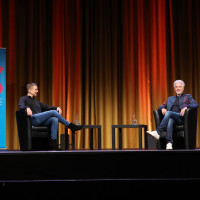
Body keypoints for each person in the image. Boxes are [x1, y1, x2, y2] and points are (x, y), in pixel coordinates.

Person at [18, 83, 84, 150]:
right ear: (29, 90)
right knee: (53, 113)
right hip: (33, 119)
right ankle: (71, 126)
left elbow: (47, 107)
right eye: (36, 89)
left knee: (54, 119)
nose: (37, 91)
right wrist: (26, 107)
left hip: (40, 120)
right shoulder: (23, 98)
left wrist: (56, 107)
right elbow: (21, 105)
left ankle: (53, 143)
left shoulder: (36, 101)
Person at [147, 80, 198, 150]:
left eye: (180, 87)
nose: (178, 88)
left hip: (181, 118)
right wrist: (162, 109)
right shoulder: (170, 98)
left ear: (183, 88)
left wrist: (186, 107)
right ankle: (169, 143)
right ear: (174, 88)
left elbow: (195, 104)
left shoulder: (188, 96)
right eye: (176, 87)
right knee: (170, 119)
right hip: (172, 118)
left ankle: (158, 132)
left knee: (169, 113)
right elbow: (161, 106)